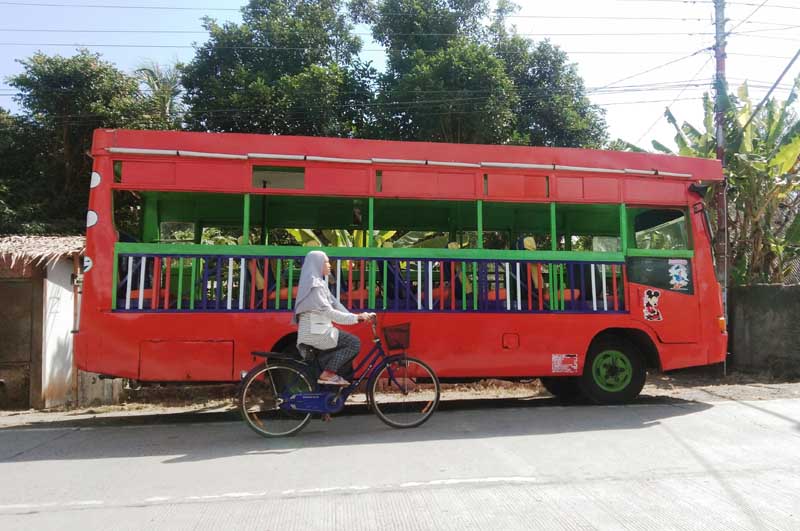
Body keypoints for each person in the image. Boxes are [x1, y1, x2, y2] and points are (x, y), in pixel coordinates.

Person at [292, 250, 372, 386]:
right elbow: (329, 312)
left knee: (344, 341)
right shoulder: (315, 286)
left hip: (318, 330)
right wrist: (356, 318)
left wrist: (358, 316)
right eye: (326, 262)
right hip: (316, 333)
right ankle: (328, 373)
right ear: (318, 264)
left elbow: (336, 304)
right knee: (354, 343)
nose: (329, 265)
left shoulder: (319, 283)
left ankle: (326, 370)